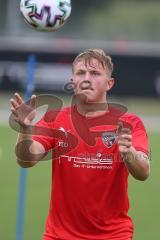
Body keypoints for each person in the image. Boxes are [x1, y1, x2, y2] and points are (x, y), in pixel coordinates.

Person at [10, 49, 150, 240]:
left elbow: (143, 173)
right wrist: (26, 129)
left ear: (109, 83)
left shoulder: (130, 122)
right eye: (80, 73)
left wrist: (128, 152)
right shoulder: (55, 119)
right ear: (72, 81)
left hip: (113, 235)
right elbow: (26, 160)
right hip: (59, 235)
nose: (86, 79)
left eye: (94, 73)